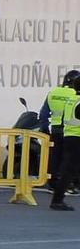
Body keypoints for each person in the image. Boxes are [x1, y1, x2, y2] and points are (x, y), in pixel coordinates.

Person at [42, 69, 80, 211]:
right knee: (68, 169)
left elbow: (44, 113)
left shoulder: (67, 98)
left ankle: (55, 187)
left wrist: (44, 127)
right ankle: (58, 199)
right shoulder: (76, 99)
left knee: (58, 160)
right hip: (75, 137)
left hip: (62, 132)